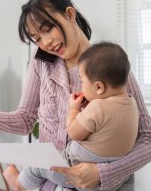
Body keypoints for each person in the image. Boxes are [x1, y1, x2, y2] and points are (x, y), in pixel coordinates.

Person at [0, 0, 151, 191]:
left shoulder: (109, 68)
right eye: (37, 38)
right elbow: (25, 120)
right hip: (51, 182)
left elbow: (150, 142)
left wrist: (101, 173)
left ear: (70, 15)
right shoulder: (41, 65)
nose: (46, 42)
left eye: (48, 29)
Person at [11, 41, 139, 191]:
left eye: (82, 81)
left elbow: (73, 132)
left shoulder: (97, 108)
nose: (81, 86)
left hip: (78, 171)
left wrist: (74, 109)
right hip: (115, 179)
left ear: (99, 87)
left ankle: (18, 184)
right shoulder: (132, 104)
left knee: (39, 162)